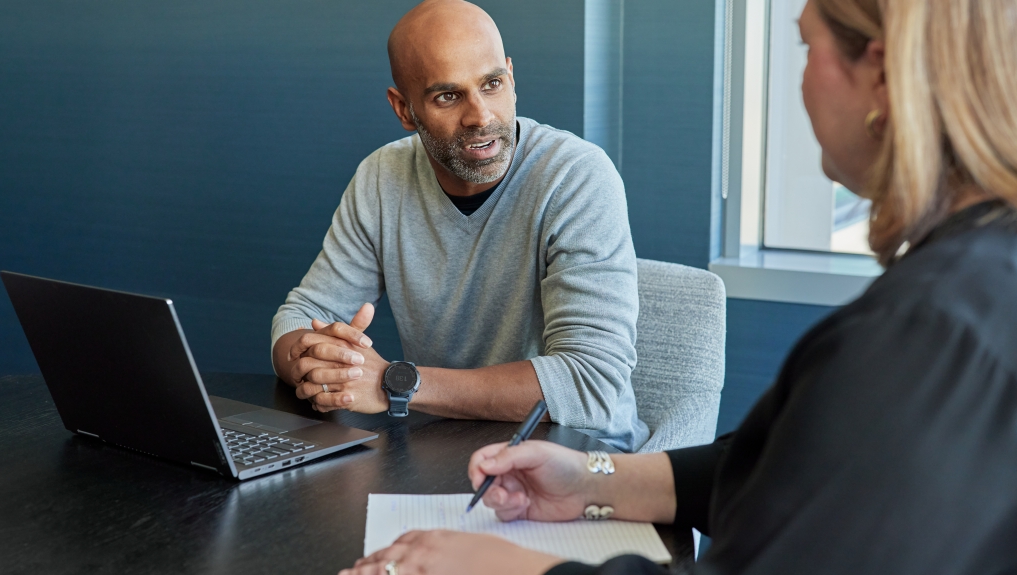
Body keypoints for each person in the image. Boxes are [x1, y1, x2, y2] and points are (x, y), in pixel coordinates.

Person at [342, 0, 1017, 573]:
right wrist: (593, 481)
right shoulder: (975, 279)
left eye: (804, 48)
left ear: (876, 72)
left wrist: (513, 565)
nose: (799, 84)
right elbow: (779, 469)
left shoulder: (920, 333)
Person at [270, 0, 649, 452]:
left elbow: (591, 386)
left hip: (579, 456)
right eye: (448, 96)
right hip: (446, 446)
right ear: (404, 109)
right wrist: (325, 363)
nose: (481, 116)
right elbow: (299, 317)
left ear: (511, 77)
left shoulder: (577, 177)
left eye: (492, 84)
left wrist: (398, 383)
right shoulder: (381, 177)